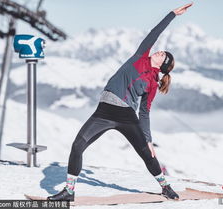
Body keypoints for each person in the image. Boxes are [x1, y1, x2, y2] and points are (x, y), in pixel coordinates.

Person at [48, 2, 194, 201]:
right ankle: (69, 191)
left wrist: (148, 139)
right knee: (77, 145)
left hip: (126, 116)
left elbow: (144, 112)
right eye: (162, 51)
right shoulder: (140, 56)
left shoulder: (152, 84)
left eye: (164, 56)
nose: (161, 52)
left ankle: (165, 187)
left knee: (146, 153)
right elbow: (154, 33)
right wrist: (172, 15)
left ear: (163, 66)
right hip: (103, 111)